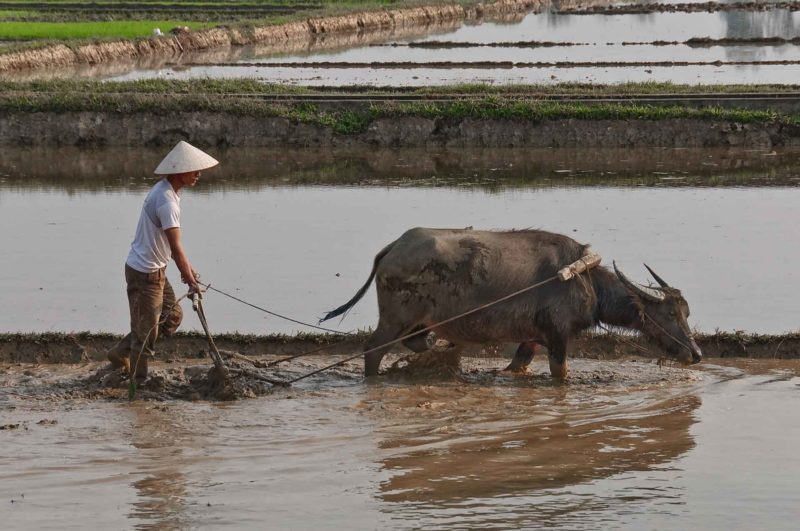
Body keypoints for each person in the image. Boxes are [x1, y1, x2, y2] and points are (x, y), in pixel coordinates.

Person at [107, 141, 219, 382]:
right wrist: (188, 276)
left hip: (156, 270)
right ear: (179, 171)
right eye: (194, 170)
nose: (198, 174)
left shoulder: (167, 192)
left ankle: (119, 352)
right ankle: (137, 384)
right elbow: (176, 247)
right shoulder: (167, 201)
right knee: (146, 335)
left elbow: (169, 246)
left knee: (172, 317)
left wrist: (187, 269)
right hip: (144, 274)